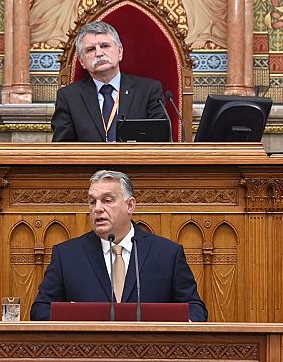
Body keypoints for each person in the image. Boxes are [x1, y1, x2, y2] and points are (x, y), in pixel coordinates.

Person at [30, 170, 208, 321]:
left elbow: (195, 309)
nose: (97, 208)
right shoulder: (67, 255)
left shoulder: (167, 254)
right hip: (88, 357)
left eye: (107, 200)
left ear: (130, 205)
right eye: (92, 202)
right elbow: (40, 310)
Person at [51, 21, 166, 142]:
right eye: (90, 49)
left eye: (105, 46)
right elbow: (63, 150)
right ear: (82, 62)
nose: (99, 53)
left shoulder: (148, 91)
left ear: (120, 52)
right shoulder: (69, 97)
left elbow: (160, 144)